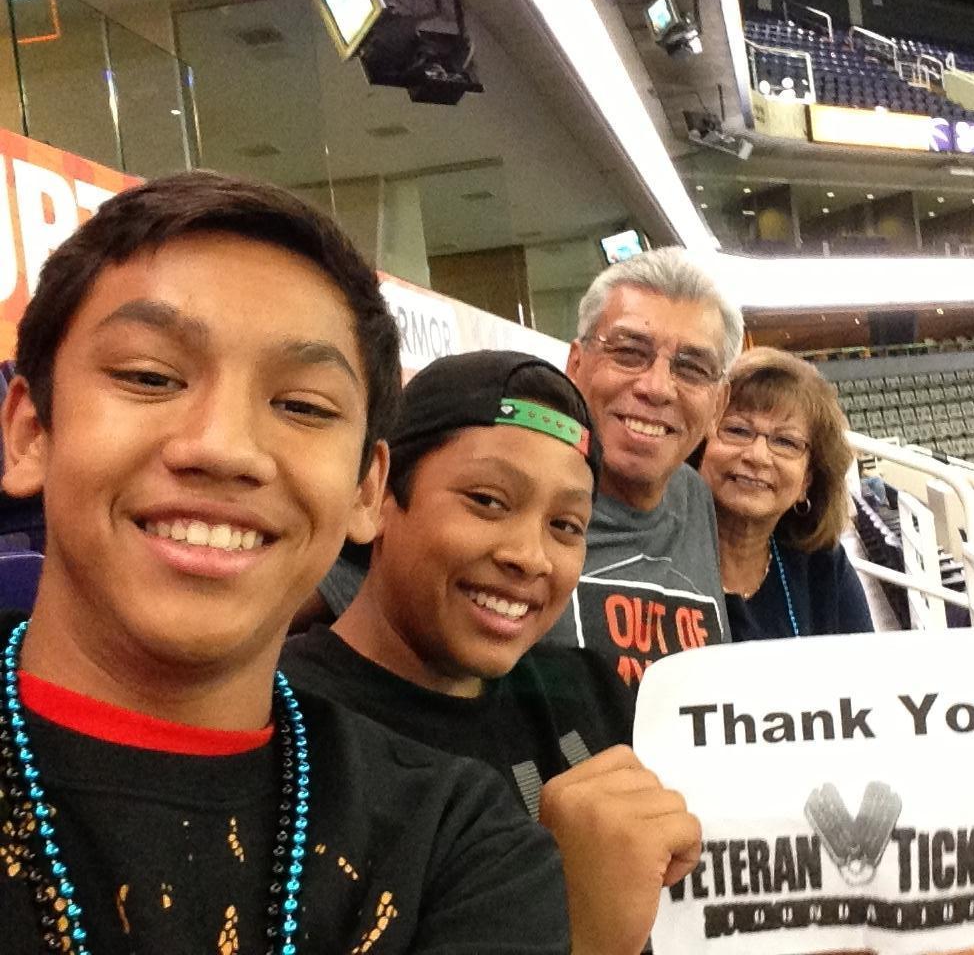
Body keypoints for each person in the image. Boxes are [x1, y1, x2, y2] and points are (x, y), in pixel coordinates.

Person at [0, 173, 569, 953]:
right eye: (149, 377)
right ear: (32, 431)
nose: (226, 449)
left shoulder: (455, 844)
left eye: (302, 406)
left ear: (367, 489)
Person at [282, 350, 702, 955]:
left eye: (566, 526)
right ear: (377, 498)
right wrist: (580, 934)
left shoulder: (597, 697)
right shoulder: (282, 728)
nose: (529, 556)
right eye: (487, 501)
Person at [543, 247, 744, 691]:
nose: (656, 388)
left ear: (719, 405)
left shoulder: (694, 497)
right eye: (629, 352)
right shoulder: (519, 502)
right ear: (575, 367)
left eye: (691, 368)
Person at [697, 347, 873, 641]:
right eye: (738, 430)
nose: (758, 456)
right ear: (699, 445)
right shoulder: (663, 557)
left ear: (807, 480)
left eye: (786, 442)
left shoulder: (823, 568)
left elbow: (867, 678)